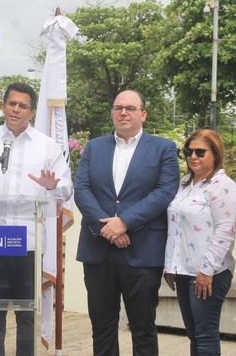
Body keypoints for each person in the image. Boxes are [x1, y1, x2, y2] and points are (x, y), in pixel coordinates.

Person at [0, 82, 73, 356]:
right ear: (3, 106)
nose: (16, 110)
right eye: (11, 104)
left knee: (26, 315)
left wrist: (52, 186)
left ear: (31, 111)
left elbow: (67, 188)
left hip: (27, 242)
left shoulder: (46, 147)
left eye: (22, 106)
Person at [74, 90, 179, 356]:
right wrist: (107, 229)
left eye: (130, 108)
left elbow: (165, 192)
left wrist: (124, 222)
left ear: (143, 114)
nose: (123, 113)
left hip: (142, 251)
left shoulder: (163, 148)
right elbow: (82, 191)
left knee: (143, 328)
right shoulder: (94, 147)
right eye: (118, 107)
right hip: (98, 251)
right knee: (102, 326)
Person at [163, 129, 236, 356]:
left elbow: (225, 231)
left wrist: (206, 271)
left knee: (205, 335)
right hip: (184, 270)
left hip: (209, 273)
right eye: (188, 151)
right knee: (194, 334)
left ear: (215, 154)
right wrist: (170, 266)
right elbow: (176, 228)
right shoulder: (185, 183)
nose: (193, 157)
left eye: (200, 152)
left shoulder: (223, 186)